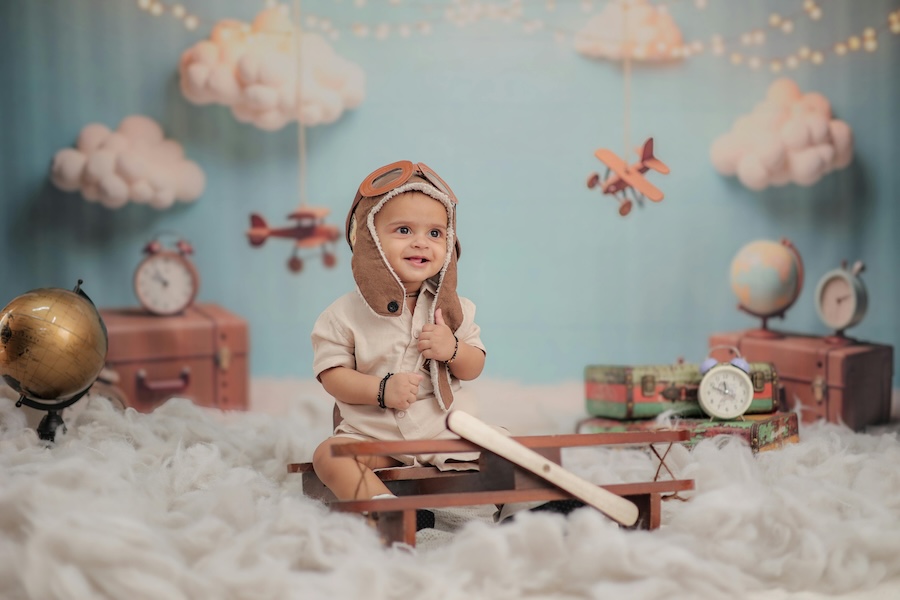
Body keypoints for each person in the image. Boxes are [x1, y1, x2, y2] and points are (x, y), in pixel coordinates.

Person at [311, 160, 486, 501]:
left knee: (506, 450)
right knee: (329, 456)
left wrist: (452, 350)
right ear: (369, 240)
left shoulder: (454, 308)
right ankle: (387, 511)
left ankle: (527, 508)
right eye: (404, 230)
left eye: (434, 233)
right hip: (373, 436)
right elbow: (332, 376)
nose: (421, 243)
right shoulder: (342, 314)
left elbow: (474, 366)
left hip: (445, 430)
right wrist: (381, 390)